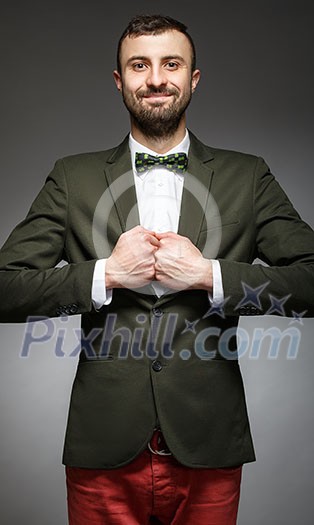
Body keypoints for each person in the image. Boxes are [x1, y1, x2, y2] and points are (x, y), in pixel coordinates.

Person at [0, 13, 314, 525]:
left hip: (208, 443)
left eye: (171, 63)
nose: (156, 79)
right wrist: (106, 274)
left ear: (193, 79)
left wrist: (209, 274)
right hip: (103, 447)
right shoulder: (71, 177)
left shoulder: (248, 175)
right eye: (139, 65)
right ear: (120, 81)